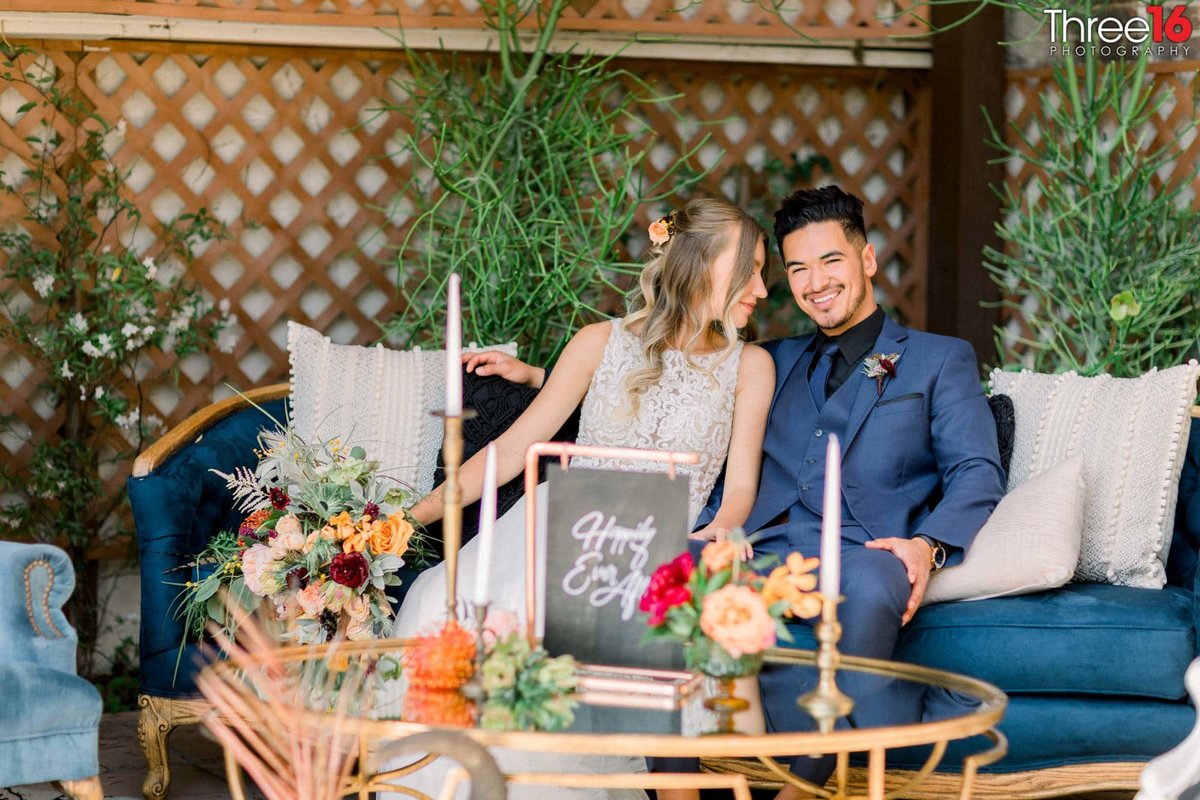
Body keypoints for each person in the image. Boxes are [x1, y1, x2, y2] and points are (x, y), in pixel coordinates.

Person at [390, 197, 773, 800]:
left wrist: (714, 536)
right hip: (569, 525)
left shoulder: (751, 365)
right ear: (700, 263)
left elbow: (741, 486)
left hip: (672, 538)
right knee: (459, 601)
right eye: (750, 269)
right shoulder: (598, 342)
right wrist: (406, 517)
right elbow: (515, 448)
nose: (763, 289)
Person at [706, 185, 1005, 798]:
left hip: (864, 552)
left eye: (830, 260)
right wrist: (543, 379)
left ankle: (799, 787)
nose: (815, 282)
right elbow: (667, 385)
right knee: (669, 577)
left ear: (867, 260)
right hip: (759, 545)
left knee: (868, 590)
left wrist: (928, 546)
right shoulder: (766, 361)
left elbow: (977, 471)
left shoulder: (939, 359)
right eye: (797, 268)